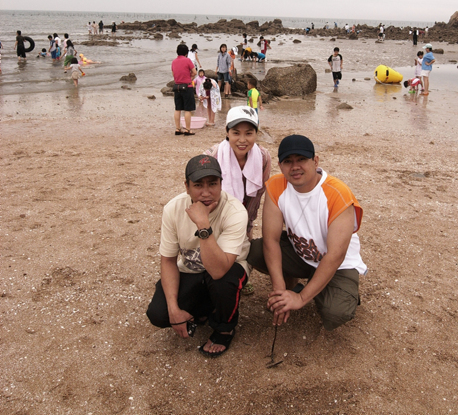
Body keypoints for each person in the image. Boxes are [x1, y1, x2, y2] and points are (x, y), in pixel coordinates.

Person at [247, 134, 367, 331]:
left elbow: (336, 255)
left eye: (301, 159)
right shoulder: (277, 186)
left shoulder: (338, 194)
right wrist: (280, 292)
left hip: (337, 264)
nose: (295, 167)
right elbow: (271, 240)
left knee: (336, 313)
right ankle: (293, 285)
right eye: (288, 161)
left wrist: (301, 298)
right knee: (256, 250)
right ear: (280, 165)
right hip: (302, 253)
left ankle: (338, 290)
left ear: (315, 161)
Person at [146, 155, 250, 357]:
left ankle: (224, 327)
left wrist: (203, 224)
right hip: (191, 269)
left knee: (224, 282)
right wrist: (174, 308)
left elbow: (219, 270)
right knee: (159, 314)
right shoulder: (173, 209)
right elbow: (168, 261)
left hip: (227, 268)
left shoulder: (235, 211)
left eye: (213, 184)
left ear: (221, 183)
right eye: (198, 185)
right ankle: (204, 310)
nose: (206, 193)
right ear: (187, 186)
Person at [204, 106, 271, 240]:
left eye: (248, 133)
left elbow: (257, 195)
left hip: (245, 216)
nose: (242, 140)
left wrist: (247, 224)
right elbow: (204, 194)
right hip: (215, 216)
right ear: (227, 132)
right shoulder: (212, 157)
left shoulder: (263, 157)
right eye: (236, 133)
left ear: (256, 133)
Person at [172, 43, 197, 136]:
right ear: (186, 53)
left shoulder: (174, 61)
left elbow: (173, 73)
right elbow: (195, 72)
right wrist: (189, 77)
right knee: (187, 109)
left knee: (177, 108)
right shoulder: (187, 60)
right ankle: (187, 129)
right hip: (187, 87)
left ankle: (178, 129)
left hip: (177, 87)